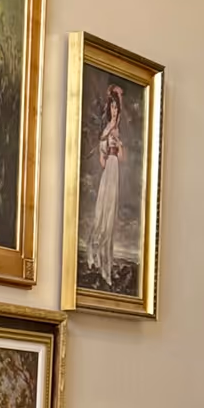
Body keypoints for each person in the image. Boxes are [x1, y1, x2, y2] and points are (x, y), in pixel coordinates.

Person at [88, 85, 124, 289]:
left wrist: (119, 145)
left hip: (115, 168)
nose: (114, 111)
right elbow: (102, 156)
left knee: (111, 214)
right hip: (109, 168)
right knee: (103, 213)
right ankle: (97, 257)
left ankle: (106, 265)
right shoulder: (109, 128)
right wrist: (106, 147)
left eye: (116, 108)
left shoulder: (116, 129)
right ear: (109, 109)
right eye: (112, 107)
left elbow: (121, 156)